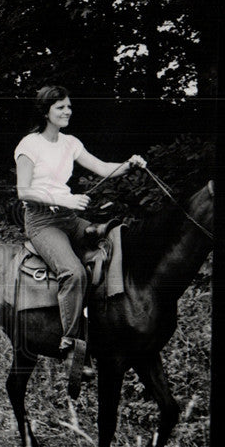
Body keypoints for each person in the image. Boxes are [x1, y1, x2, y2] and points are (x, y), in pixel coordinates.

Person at [14, 85, 147, 358]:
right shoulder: (29, 145)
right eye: (61, 107)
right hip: (42, 222)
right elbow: (23, 191)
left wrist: (129, 164)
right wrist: (66, 200)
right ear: (46, 111)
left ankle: (111, 323)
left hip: (68, 218)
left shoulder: (70, 143)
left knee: (114, 243)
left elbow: (103, 169)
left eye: (69, 106)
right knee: (73, 272)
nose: (68, 112)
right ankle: (70, 341)